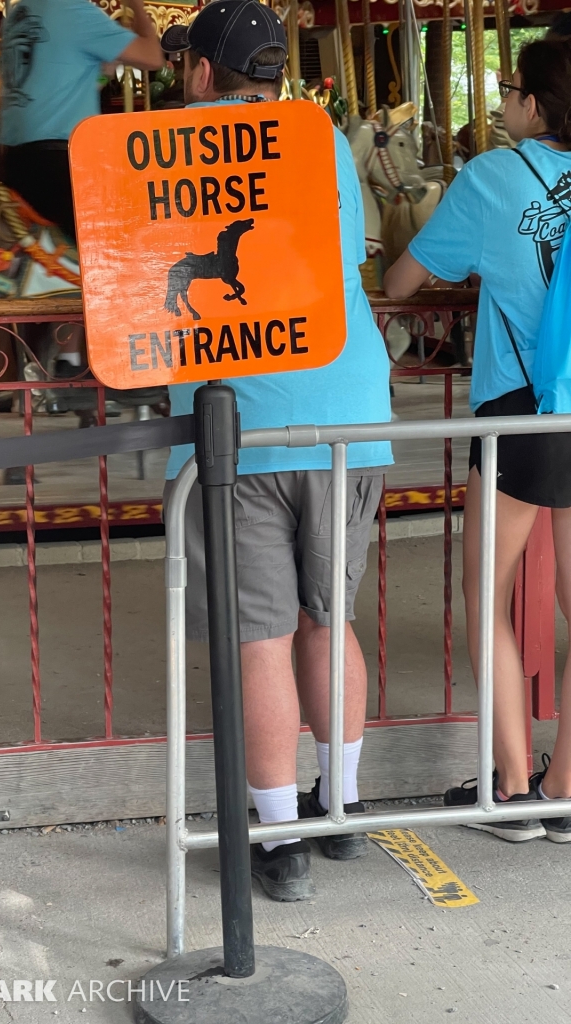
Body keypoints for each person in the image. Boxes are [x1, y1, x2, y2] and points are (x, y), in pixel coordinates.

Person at [160, 0, 393, 901]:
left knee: (257, 637)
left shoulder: (178, 143)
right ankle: (340, 810)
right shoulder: (322, 137)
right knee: (328, 620)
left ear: (204, 73)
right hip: (349, 413)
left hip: (239, 427)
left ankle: (279, 839)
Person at [384, 38, 571, 842]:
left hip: (522, 412)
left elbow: (401, 279)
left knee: (485, 594)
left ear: (534, 105)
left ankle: (511, 786)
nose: (500, 103)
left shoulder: (492, 178)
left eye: (507, 89)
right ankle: (564, 793)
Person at [0, 0, 163, 239]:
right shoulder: (73, 11)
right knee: (130, 239)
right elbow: (153, 56)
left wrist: (102, 76)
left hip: (15, 160)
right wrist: (136, 6)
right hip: (59, 164)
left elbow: (56, 90)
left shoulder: (16, 15)